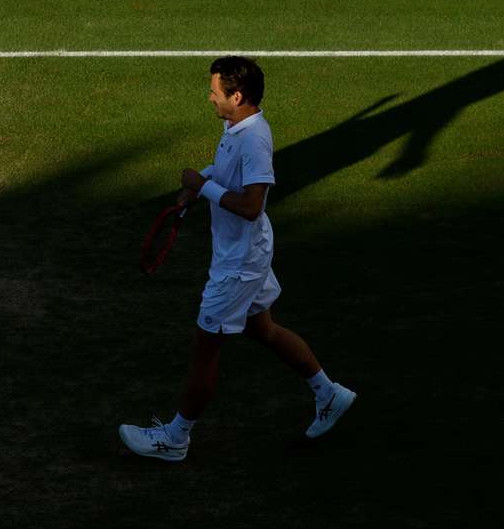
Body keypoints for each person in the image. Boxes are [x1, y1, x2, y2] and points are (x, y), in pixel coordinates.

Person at [119, 56, 355, 460]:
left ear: (237, 96)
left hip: (240, 263)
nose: (209, 97)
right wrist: (201, 185)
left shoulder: (254, 139)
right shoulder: (235, 128)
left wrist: (201, 186)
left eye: (215, 92)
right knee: (261, 328)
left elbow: (251, 205)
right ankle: (329, 394)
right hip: (243, 253)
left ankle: (175, 439)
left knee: (206, 346)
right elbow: (229, 172)